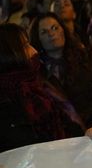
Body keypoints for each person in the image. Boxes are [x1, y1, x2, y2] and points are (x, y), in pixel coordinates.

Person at [0, 23, 83, 151]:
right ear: (9, 54)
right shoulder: (6, 104)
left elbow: (73, 130)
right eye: (25, 46)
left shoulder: (45, 85)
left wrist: (91, 133)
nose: (35, 51)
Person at [29, 12, 92, 128]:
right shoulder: (36, 71)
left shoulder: (88, 59)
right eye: (44, 32)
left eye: (55, 28)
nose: (51, 34)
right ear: (38, 38)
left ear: (63, 30)